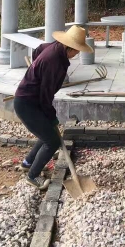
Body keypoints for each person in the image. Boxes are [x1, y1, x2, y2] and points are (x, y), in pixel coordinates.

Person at [14, 25, 93, 190]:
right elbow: (46, 95)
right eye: (77, 51)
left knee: (47, 133)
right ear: (69, 47)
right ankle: (32, 176)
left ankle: (27, 163)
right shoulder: (53, 62)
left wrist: (36, 69)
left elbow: (38, 49)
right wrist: (51, 116)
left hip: (31, 99)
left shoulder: (54, 47)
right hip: (27, 103)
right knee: (52, 141)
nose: (77, 54)